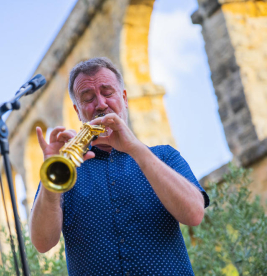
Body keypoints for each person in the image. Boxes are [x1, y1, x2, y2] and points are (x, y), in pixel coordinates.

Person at [29, 57, 209, 275]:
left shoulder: (164, 156)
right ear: (78, 111)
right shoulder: (63, 169)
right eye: (88, 98)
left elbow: (194, 215)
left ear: (124, 98)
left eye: (107, 93)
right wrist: (51, 182)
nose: (101, 104)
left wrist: (135, 148)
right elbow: (42, 243)